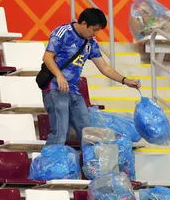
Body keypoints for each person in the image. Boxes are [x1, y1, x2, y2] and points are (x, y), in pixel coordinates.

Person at [42, 8, 140, 145]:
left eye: (97, 30)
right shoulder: (63, 32)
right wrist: (59, 76)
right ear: (83, 23)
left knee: (87, 132)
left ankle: (90, 165)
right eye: (94, 29)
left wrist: (125, 80)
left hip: (74, 91)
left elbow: (104, 67)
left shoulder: (91, 43)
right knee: (60, 132)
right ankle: (51, 164)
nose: (95, 33)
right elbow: (47, 57)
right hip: (55, 88)